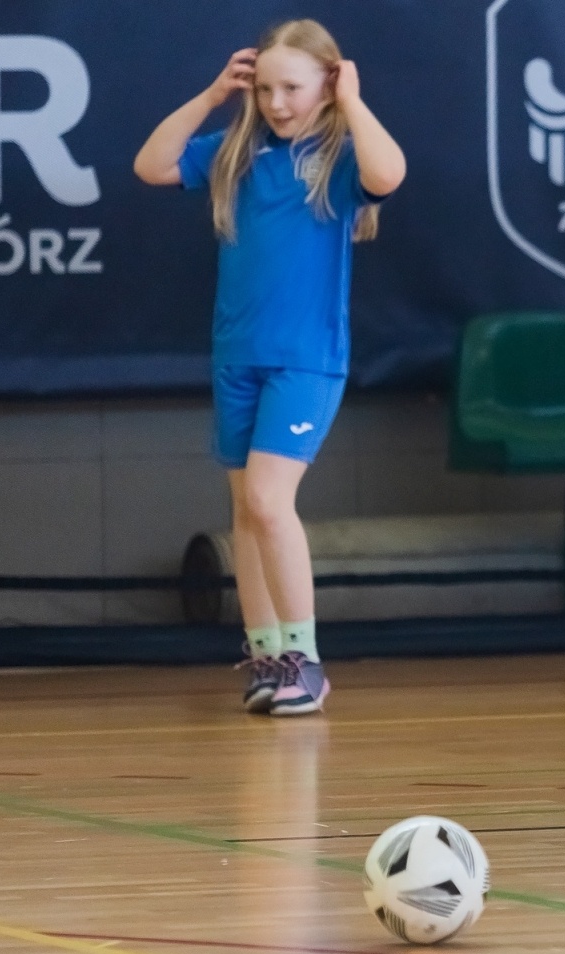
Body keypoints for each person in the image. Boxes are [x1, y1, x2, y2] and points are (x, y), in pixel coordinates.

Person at [134, 19, 405, 715]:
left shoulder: (340, 159)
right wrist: (211, 96)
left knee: (267, 500)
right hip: (238, 357)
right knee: (245, 514)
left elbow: (389, 173)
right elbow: (152, 164)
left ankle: (307, 660)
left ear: (328, 83)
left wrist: (353, 102)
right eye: (265, 88)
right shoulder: (238, 152)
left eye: (293, 87)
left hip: (305, 362)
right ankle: (267, 654)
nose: (278, 102)